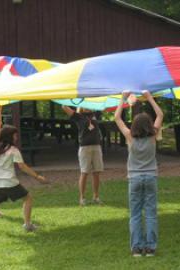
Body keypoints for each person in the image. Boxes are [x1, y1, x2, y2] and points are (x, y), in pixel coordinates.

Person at [114, 90, 162, 257]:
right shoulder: (153, 136)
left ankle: (136, 248)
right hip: (150, 177)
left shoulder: (129, 137)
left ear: (134, 126)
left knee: (135, 214)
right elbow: (160, 114)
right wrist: (149, 98)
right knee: (150, 213)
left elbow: (117, 118)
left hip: (134, 178)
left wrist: (123, 98)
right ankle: (150, 248)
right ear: (149, 125)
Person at [62, 105, 103, 206]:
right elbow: (64, 106)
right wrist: (75, 101)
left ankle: (96, 197)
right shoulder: (78, 116)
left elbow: (102, 103)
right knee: (84, 172)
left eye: (88, 104)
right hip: (85, 148)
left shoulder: (95, 114)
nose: (87, 106)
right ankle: (82, 198)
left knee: (96, 173)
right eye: (84, 104)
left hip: (96, 146)